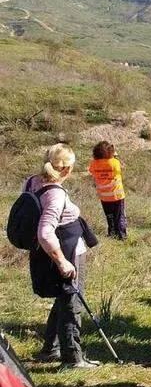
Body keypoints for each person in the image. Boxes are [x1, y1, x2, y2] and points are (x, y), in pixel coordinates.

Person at [28, 144, 100, 369]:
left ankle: (51, 348)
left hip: (52, 251)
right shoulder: (55, 194)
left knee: (63, 296)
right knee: (72, 301)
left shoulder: (32, 181)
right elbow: (45, 232)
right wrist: (62, 260)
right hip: (67, 252)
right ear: (67, 169)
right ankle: (72, 358)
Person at [88, 141, 127, 240]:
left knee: (109, 216)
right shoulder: (114, 163)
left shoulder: (94, 164)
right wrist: (115, 156)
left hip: (104, 196)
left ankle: (112, 233)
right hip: (117, 195)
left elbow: (91, 171)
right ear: (110, 152)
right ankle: (122, 236)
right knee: (119, 216)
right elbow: (119, 166)